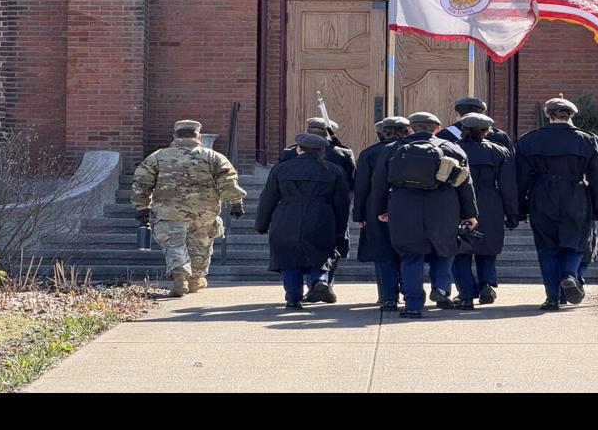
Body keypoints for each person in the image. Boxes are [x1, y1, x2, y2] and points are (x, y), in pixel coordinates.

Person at [366, 112, 478, 318]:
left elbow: (379, 184)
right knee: (446, 249)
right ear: (436, 128)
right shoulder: (451, 148)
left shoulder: (392, 149)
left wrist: (380, 210)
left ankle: (413, 305)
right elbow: (465, 183)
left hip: (404, 208)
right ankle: (441, 288)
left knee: (410, 256)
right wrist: (469, 213)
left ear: (410, 128)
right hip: (444, 208)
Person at [132, 120, 247, 298]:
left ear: (175, 136)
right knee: (201, 246)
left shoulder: (157, 157)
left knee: (174, 244)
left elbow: (142, 183)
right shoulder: (213, 157)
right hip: (205, 212)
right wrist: (235, 202)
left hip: (170, 211)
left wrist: (142, 206)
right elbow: (228, 181)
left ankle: (180, 276)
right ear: (198, 136)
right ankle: (195, 279)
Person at [514, 98, 598, 310]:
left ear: (548, 114)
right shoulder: (588, 140)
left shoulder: (530, 141)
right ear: (572, 115)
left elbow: (520, 178)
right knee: (577, 241)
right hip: (576, 194)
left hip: (542, 195)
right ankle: (569, 274)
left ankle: (552, 297)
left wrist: (519, 207)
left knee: (547, 247)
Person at [255, 133, 350, 310]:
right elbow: (342, 203)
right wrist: (340, 228)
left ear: (299, 149)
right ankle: (319, 281)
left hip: (286, 217)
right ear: (322, 151)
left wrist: (261, 223)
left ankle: (293, 299)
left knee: (288, 259)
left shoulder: (282, 169)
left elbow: (268, 198)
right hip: (321, 218)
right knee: (321, 254)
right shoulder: (333, 170)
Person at [450, 113, 519, 307]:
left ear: (463, 130)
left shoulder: (453, 150)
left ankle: (466, 294)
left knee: (460, 252)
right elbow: (508, 186)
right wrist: (513, 213)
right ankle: (487, 284)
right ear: (486, 131)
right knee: (487, 248)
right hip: (491, 202)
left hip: (459, 203)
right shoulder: (500, 151)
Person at [352, 116, 412, 310]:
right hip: (407, 207)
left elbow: (361, 187)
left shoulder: (369, 153)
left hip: (375, 207)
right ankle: (407, 288)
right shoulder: (412, 150)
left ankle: (388, 297)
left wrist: (359, 215)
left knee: (383, 254)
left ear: (382, 132)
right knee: (408, 252)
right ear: (407, 131)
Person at [436, 96, 514, 151]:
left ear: (456, 113)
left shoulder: (444, 135)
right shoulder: (498, 136)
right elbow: (511, 161)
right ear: (482, 114)